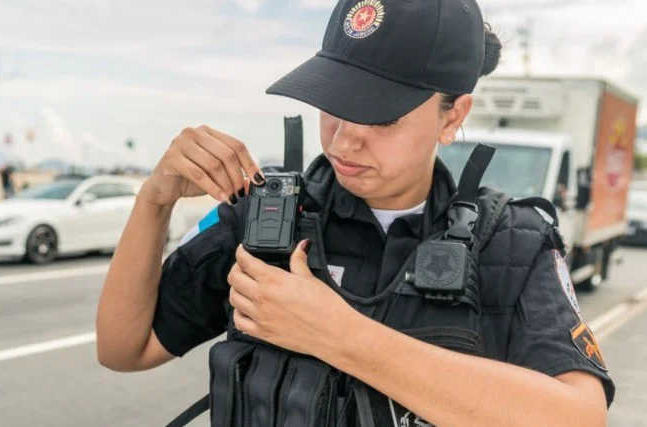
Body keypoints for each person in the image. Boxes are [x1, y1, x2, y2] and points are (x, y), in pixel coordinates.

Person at [96, 1, 613, 425]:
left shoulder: (510, 241)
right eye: (333, 102)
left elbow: (578, 415)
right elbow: (125, 348)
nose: (344, 138)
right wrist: (154, 202)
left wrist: (339, 334)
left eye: (379, 115)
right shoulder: (268, 215)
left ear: (452, 114)